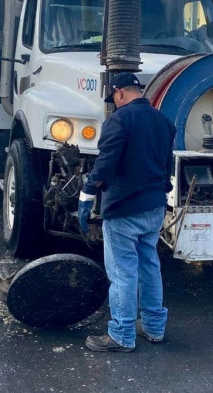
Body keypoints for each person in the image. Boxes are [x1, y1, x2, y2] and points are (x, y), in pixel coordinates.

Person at [78, 72, 177, 352]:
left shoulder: (119, 120)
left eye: (114, 98)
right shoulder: (163, 121)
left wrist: (87, 193)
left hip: (124, 207)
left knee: (122, 272)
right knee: (149, 265)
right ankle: (154, 328)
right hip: (155, 205)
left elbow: (106, 163)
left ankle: (121, 334)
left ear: (119, 92)